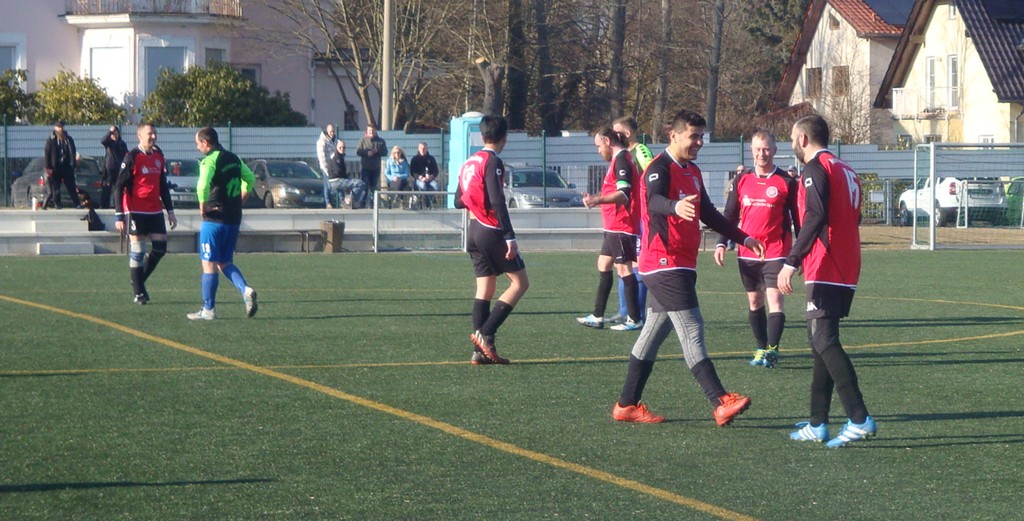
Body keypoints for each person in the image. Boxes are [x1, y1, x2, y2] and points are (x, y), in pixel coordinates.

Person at [612, 110, 765, 426]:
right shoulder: (659, 167)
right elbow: (653, 200)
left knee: (653, 334)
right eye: (693, 136)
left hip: (681, 262)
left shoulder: (692, 170)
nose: (699, 142)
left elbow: (708, 212)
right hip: (663, 262)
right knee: (692, 328)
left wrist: (743, 237)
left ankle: (626, 405)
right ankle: (720, 400)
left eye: (701, 136)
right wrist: (674, 206)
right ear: (674, 135)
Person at [779, 114, 875, 447]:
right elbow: (852, 215)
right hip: (844, 262)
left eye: (792, 137)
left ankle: (859, 418)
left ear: (803, 139)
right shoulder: (845, 169)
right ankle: (817, 422)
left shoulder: (815, 168)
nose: (791, 143)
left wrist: (792, 261)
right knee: (818, 340)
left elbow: (816, 216)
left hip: (828, 264)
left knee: (825, 340)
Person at [714, 131, 800, 368]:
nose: (762, 154)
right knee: (754, 301)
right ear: (751, 150)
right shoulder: (741, 180)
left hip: (777, 250)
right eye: (758, 149)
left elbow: (798, 219)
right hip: (747, 251)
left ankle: (772, 350)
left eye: (767, 149)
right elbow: (730, 215)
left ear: (774, 150)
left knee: (775, 299)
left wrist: (800, 255)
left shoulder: (786, 181)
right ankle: (761, 347)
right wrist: (721, 242)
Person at [454, 115, 529, 365]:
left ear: (482, 135)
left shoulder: (469, 162)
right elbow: (497, 199)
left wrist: (475, 204)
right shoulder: (492, 161)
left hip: (473, 229)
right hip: (490, 228)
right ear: (504, 137)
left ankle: (479, 352)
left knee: (484, 288)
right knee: (520, 283)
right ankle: (485, 333)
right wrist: (509, 236)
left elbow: (458, 201)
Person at [187, 126, 258, 321]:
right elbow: (250, 178)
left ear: (205, 143)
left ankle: (208, 310)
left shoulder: (209, 161)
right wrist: (241, 198)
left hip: (214, 218)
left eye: (198, 143)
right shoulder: (234, 158)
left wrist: (202, 205)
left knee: (209, 263)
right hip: (234, 217)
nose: (197, 147)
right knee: (225, 262)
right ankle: (245, 289)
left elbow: (202, 185)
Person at [576, 127, 643, 332]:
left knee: (625, 269)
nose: (598, 151)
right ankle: (598, 316)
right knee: (604, 264)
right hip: (613, 225)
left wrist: (597, 200)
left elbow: (623, 194)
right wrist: (596, 198)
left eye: (598, 146)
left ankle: (634, 318)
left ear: (607, 140)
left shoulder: (622, 160)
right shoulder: (617, 160)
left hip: (622, 225)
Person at [112, 123, 177, 305]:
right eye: (150, 134)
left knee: (160, 248)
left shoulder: (158, 156)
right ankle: (139, 292)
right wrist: (119, 215)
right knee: (139, 251)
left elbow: (162, 185)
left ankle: (138, 280)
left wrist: (170, 211)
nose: (153, 137)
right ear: (139, 136)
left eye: (155, 133)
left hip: (154, 209)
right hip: (136, 210)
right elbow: (119, 186)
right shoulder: (132, 156)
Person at [609, 116, 655, 326]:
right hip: (628, 217)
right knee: (622, 264)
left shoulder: (641, 151)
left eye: (616, 132)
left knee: (636, 264)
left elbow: (652, 175)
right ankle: (625, 310)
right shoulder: (621, 154)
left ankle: (637, 313)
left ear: (626, 133)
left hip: (642, 216)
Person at [43, 121, 80, 209]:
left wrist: (74, 163)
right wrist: (48, 167)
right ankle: (57, 204)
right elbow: (47, 153)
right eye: (59, 127)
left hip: (67, 166)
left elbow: (73, 151)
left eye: (62, 127)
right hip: (55, 167)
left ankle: (77, 203)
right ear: (55, 128)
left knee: (71, 186)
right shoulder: (51, 139)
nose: (60, 129)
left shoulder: (68, 139)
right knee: (56, 188)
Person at [328, 140, 367, 209]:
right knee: (360, 183)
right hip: (336, 180)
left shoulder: (340, 156)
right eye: (340, 147)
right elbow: (338, 171)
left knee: (354, 183)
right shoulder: (336, 157)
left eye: (344, 147)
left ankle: (346, 202)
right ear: (336, 147)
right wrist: (346, 177)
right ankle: (349, 201)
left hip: (337, 180)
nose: (342, 149)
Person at [356, 125, 387, 208]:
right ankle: (362, 204)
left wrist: (377, 151)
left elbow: (385, 152)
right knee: (365, 186)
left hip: (376, 168)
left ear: (375, 131)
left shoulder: (381, 141)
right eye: (370, 130)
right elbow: (358, 151)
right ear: (367, 131)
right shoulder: (362, 140)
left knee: (374, 187)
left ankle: (373, 205)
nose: (371, 132)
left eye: (373, 130)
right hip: (365, 168)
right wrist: (366, 153)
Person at [100, 125, 128, 209]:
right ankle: (104, 206)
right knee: (106, 188)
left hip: (119, 169)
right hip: (109, 169)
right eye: (112, 134)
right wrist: (110, 132)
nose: (114, 135)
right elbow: (102, 140)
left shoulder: (122, 144)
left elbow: (126, 155)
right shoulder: (109, 143)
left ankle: (118, 205)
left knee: (118, 188)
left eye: (115, 133)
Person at [409, 142, 440, 208]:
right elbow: (412, 172)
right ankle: (428, 202)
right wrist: (420, 177)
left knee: (436, 186)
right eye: (421, 148)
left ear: (427, 149)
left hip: (430, 179)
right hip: (419, 180)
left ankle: (431, 199)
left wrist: (431, 176)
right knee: (423, 185)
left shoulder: (431, 159)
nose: (422, 150)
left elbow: (436, 171)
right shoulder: (414, 159)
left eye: (424, 148)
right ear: (418, 149)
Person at [316, 124, 337, 208]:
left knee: (333, 184)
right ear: (327, 131)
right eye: (330, 131)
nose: (332, 133)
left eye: (333, 131)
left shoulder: (334, 141)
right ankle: (328, 202)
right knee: (327, 185)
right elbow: (321, 157)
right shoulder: (322, 141)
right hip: (326, 167)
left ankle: (335, 202)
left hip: (334, 167)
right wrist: (326, 168)